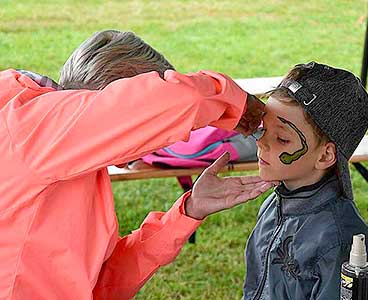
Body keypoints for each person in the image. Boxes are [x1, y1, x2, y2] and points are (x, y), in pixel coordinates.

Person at [0, 30, 272, 300]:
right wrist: (237, 105)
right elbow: (187, 98)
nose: (157, 143)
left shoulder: (62, 149)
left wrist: (187, 212)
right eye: (153, 128)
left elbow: (100, 285)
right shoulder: (35, 128)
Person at [243, 62, 368, 299]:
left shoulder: (338, 243)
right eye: (264, 129)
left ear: (325, 155)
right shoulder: (273, 206)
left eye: (282, 139)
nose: (262, 142)